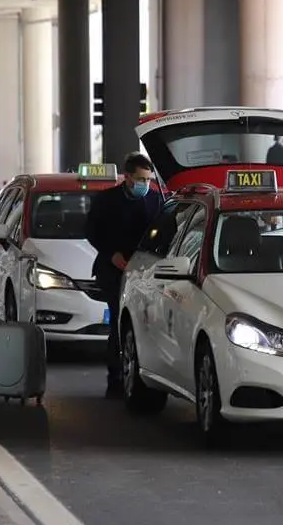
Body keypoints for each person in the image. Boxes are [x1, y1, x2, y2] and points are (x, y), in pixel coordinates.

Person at [84, 152, 163, 399]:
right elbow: (91, 231)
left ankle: (142, 372)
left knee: (144, 323)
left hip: (144, 271)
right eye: (141, 179)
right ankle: (116, 377)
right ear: (127, 177)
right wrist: (111, 254)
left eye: (149, 180)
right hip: (113, 270)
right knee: (120, 320)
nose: (145, 185)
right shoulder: (107, 200)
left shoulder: (156, 201)